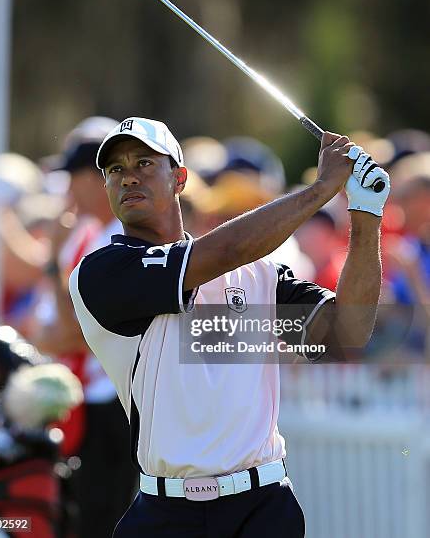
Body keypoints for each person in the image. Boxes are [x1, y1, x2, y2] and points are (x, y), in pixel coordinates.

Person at [69, 117, 390, 537]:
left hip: (262, 508)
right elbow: (224, 250)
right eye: (116, 170)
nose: (129, 177)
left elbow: (347, 336)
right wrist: (319, 190)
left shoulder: (257, 275)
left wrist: (366, 216)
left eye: (145, 163)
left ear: (179, 179)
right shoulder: (101, 273)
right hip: (165, 512)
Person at [32, 117, 138, 538]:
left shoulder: (117, 236)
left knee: (101, 520)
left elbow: (76, 330)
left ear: (96, 178)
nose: (68, 192)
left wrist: (52, 260)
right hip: (89, 399)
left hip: (112, 402)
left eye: (73, 178)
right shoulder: (90, 232)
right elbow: (53, 325)